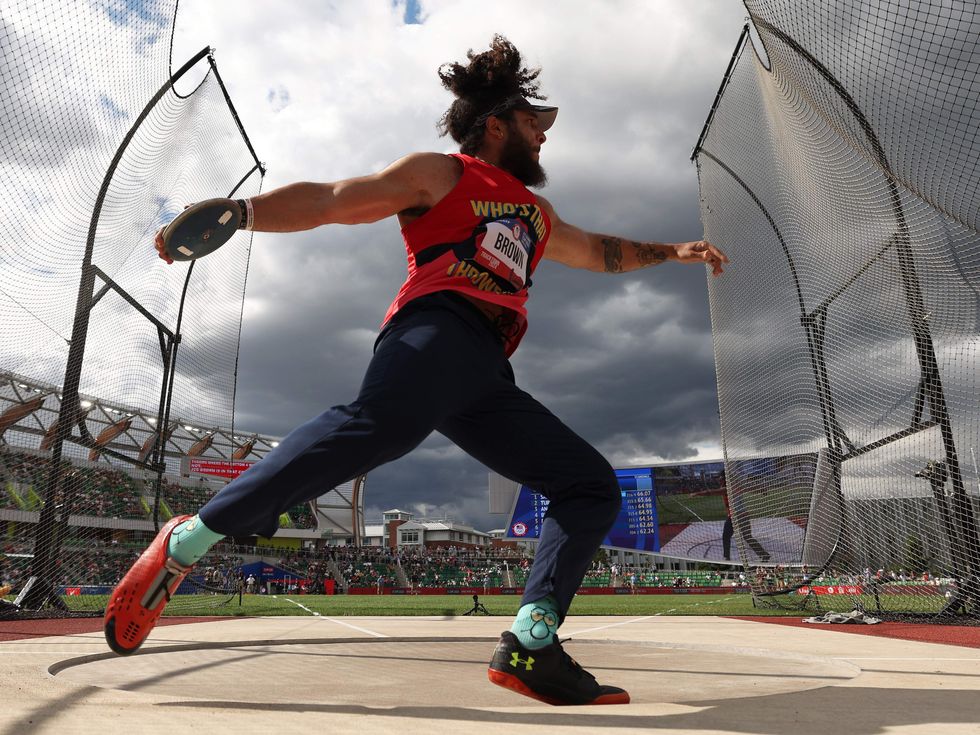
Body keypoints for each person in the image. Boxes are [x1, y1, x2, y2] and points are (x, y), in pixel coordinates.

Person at [103, 35, 727, 706]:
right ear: (495, 124)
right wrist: (243, 212)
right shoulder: (446, 173)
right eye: (532, 122)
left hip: (485, 370)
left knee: (590, 486)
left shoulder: (538, 216)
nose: (543, 137)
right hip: (435, 329)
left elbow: (601, 252)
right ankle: (188, 538)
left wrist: (673, 250)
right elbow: (337, 198)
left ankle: (532, 641)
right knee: (379, 427)